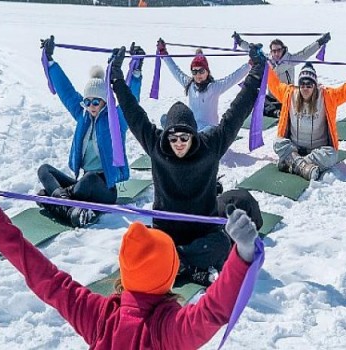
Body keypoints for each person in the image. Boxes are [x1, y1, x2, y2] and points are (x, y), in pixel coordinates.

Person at [0, 178, 259, 350]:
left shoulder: (98, 317)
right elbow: (212, 312)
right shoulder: (168, 330)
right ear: (170, 275)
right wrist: (241, 254)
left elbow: (46, 278)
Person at [109, 44, 266, 286]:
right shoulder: (156, 146)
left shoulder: (210, 145)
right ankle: (185, 261)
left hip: (202, 229)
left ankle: (176, 261)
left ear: (193, 134)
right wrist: (117, 79)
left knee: (222, 243)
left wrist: (255, 74)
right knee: (145, 241)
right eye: (173, 139)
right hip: (168, 231)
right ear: (166, 137)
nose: (179, 144)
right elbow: (133, 113)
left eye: (184, 138)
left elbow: (236, 112)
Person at [36, 36, 144, 227]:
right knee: (44, 170)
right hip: (81, 185)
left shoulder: (115, 120)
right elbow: (66, 91)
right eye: (88, 101)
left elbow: (131, 100)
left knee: (89, 178)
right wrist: (50, 61)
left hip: (104, 188)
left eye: (96, 102)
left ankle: (58, 200)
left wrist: (135, 72)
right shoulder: (82, 115)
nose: (91, 106)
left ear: (104, 102)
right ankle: (70, 209)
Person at [267, 60, 346, 180]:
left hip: (317, 150)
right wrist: (264, 64)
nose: (305, 88)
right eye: (302, 85)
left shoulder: (327, 96)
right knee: (278, 143)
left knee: (331, 155)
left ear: (315, 85)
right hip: (294, 147)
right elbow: (273, 83)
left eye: (309, 85)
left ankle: (293, 163)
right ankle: (303, 168)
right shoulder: (289, 94)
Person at [156, 39, 251, 132]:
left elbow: (233, 77)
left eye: (201, 71)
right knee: (165, 119)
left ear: (207, 72)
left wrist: (250, 64)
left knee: (208, 130)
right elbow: (175, 70)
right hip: (192, 128)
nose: (198, 75)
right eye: (194, 71)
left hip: (208, 132)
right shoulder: (189, 85)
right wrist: (164, 53)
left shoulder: (214, 87)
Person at [233, 32, 331, 118]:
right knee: (257, 99)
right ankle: (276, 112)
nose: (276, 53)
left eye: (278, 50)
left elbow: (305, 52)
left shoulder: (291, 60)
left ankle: (280, 111)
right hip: (272, 98)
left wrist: (321, 41)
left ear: (283, 49)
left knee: (298, 101)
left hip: (286, 96)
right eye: (274, 51)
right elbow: (251, 49)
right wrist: (239, 40)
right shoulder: (268, 61)